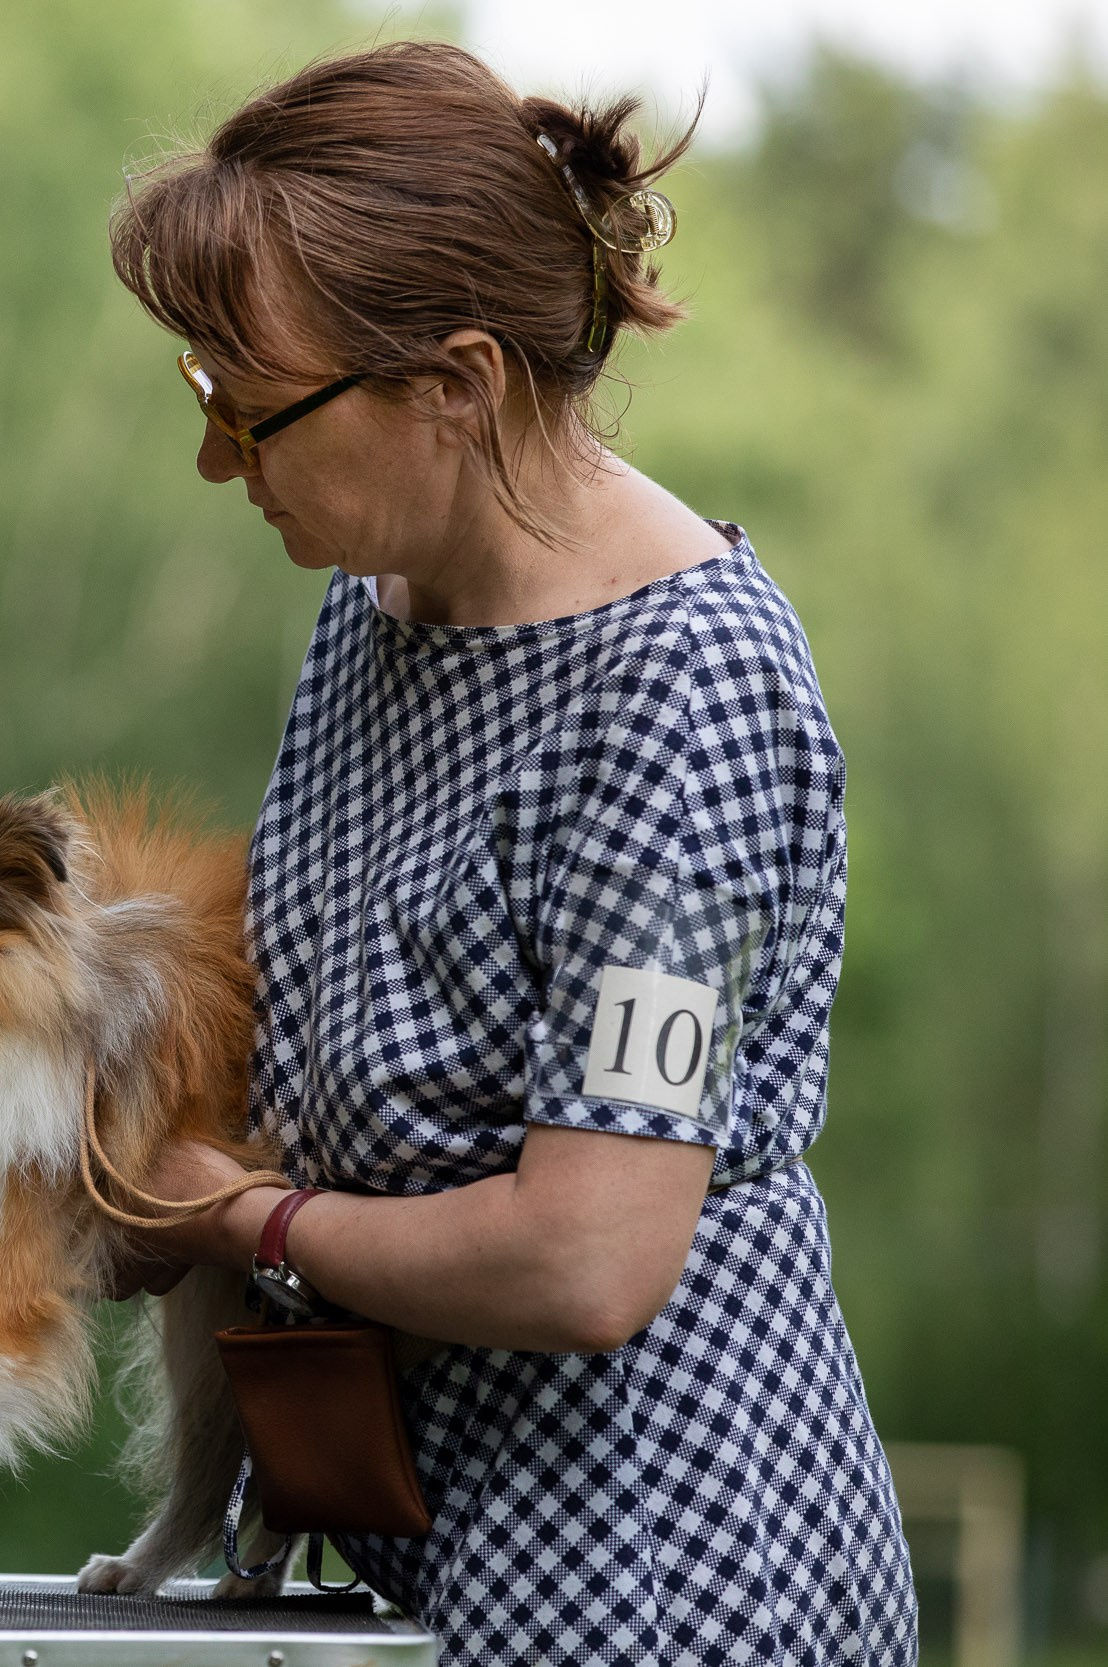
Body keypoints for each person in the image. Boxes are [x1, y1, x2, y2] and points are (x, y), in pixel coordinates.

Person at [102, 40, 918, 1666]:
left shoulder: (689, 694)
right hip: (417, 1549)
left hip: (659, 1583)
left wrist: (244, 1224)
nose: (217, 461)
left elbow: (589, 1256)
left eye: (250, 412)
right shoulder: (374, 600)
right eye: (204, 399)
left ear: (455, 387)